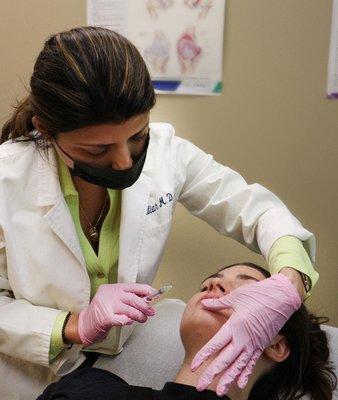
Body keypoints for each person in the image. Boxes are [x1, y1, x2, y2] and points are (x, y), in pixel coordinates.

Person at [0, 26, 319, 398]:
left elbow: (257, 211)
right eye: (97, 150)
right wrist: (73, 325)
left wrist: (288, 284)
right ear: (46, 130)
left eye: (137, 137)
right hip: (25, 375)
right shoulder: (8, 180)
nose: (123, 162)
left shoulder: (169, 154)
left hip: (112, 365)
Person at [36, 263, 337, 400]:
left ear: (277, 344)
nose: (211, 285)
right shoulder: (89, 386)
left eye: (246, 286)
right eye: (209, 281)